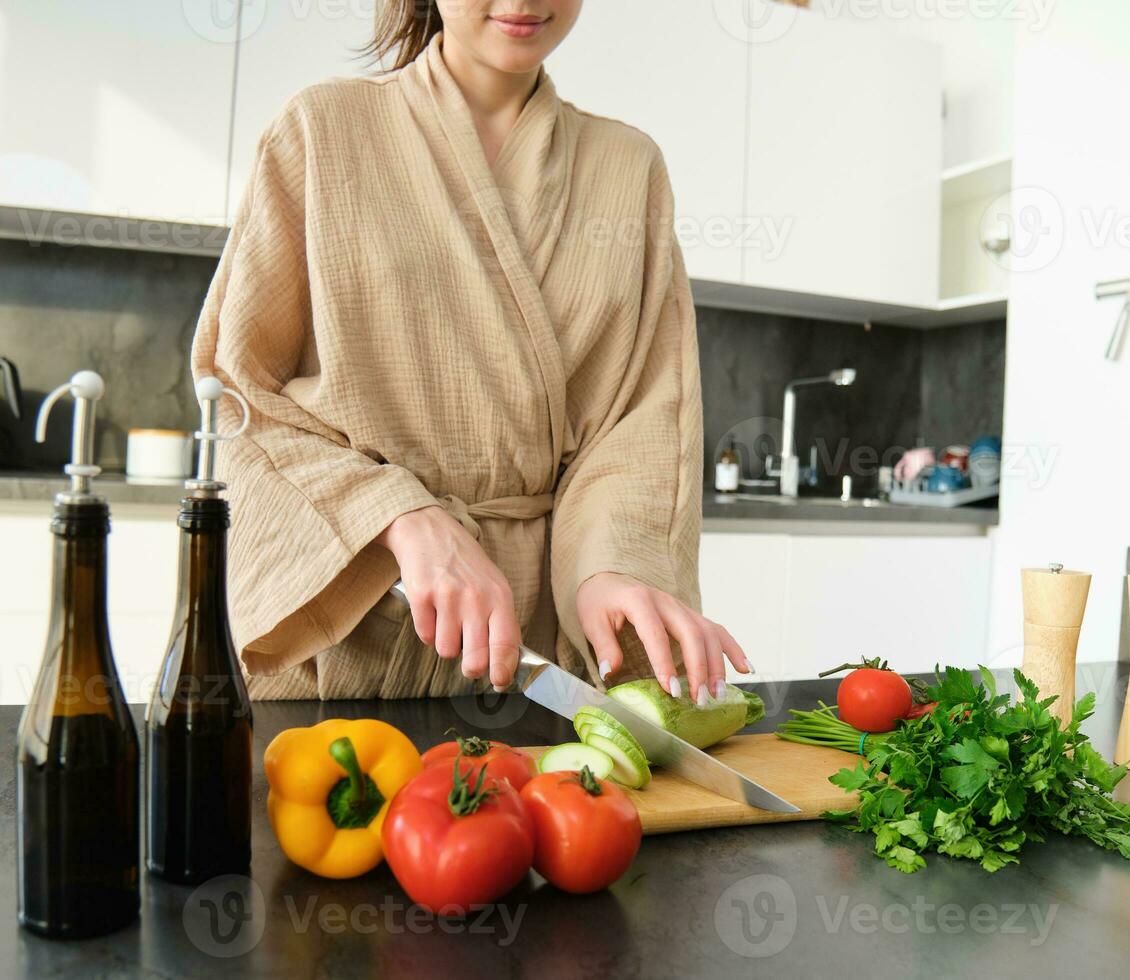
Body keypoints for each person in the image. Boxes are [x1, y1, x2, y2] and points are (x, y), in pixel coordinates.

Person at [191, 1, 751, 701]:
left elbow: (641, 419)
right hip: (350, 635)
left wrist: (609, 568)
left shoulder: (628, 167)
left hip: (531, 654)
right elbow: (242, 395)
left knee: (525, 809)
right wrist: (395, 513)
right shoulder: (323, 130)